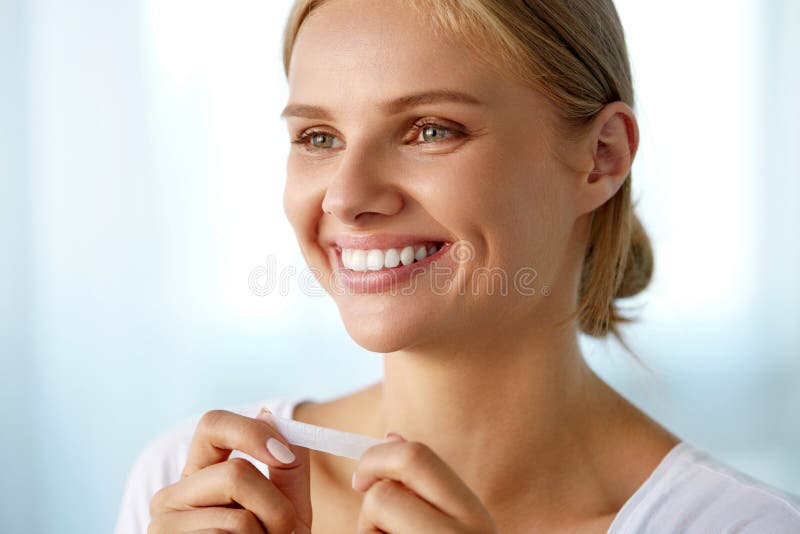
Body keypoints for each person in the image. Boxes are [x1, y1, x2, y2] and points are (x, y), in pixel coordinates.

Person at [114, 0, 800, 532]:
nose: (349, 198)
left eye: (430, 130)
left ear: (602, 158)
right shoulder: (194, 485)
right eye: (318, 138)